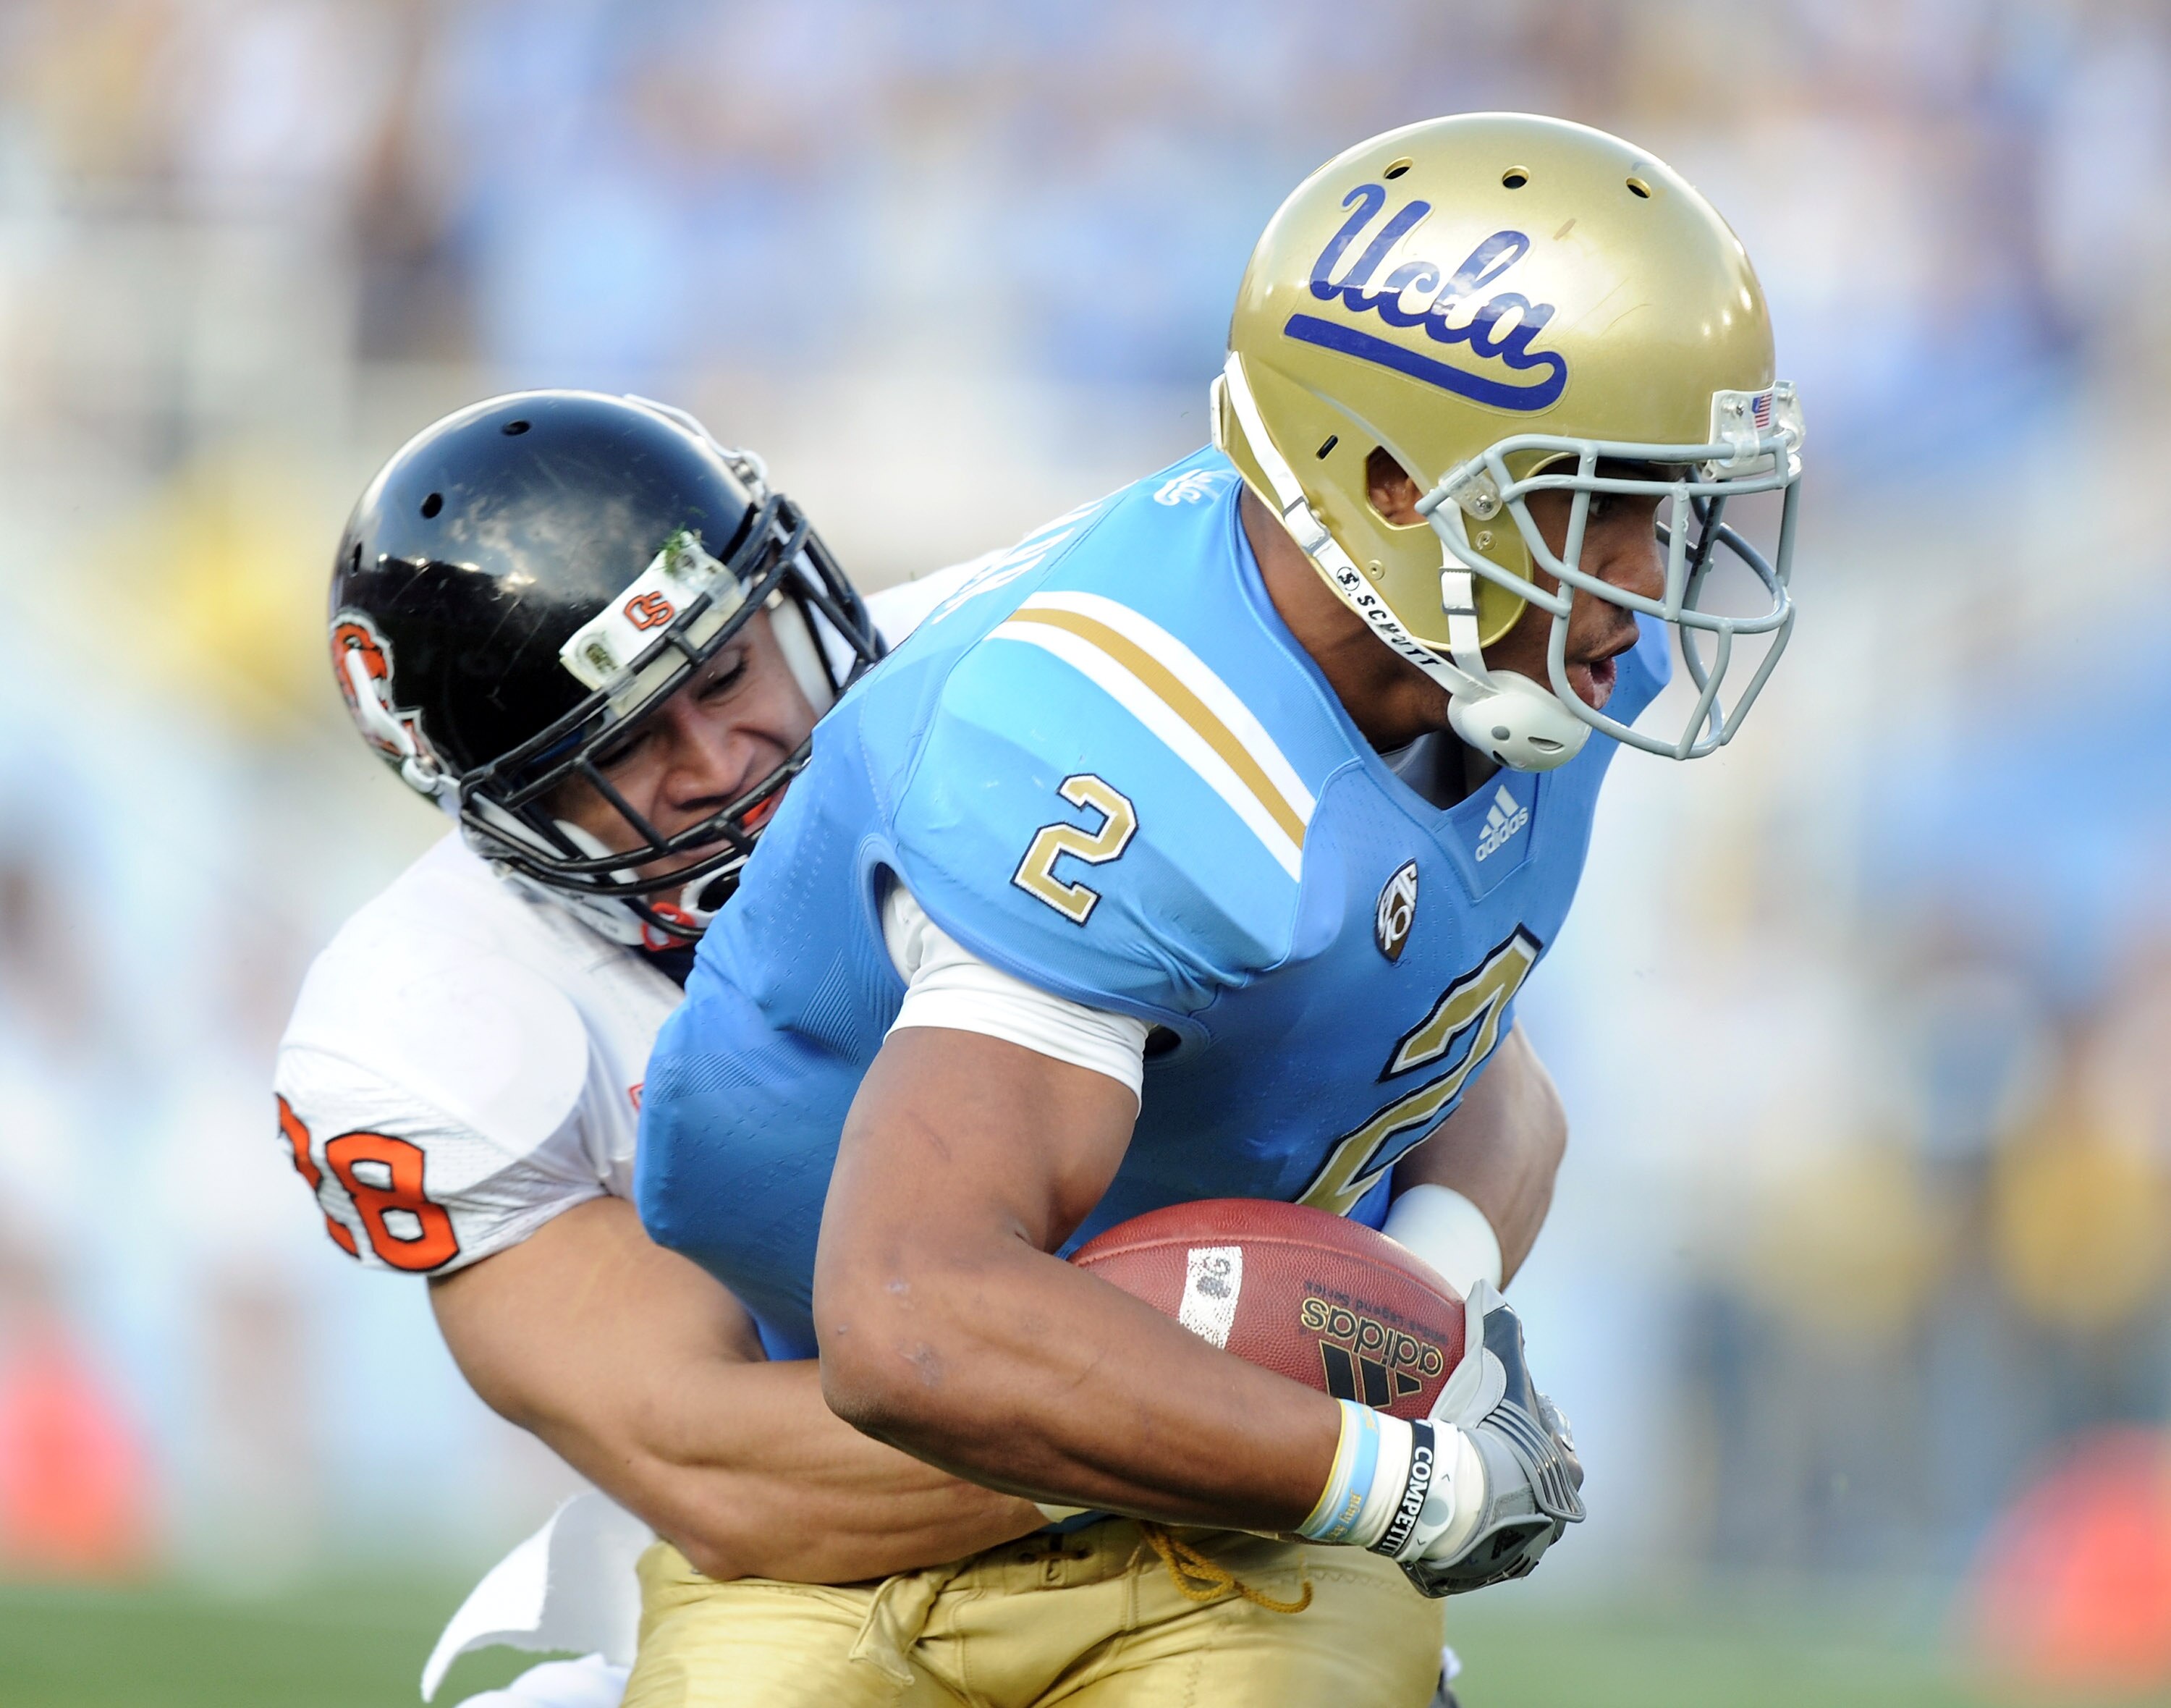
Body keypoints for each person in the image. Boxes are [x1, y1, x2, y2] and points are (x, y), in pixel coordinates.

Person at [633, 112, 1804, 1707]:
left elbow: (1477, 1062)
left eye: (1666, 504)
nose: (1643, 578)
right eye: (1599, 501)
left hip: (1224, 1500)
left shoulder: (1506, 669)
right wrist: (1408, 1482)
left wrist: (1433, 1301)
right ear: (1397, 483)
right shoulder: (1132, 749)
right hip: (863, 1492)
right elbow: (917, 1317)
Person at [273, 392, 1046, 1701]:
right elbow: (726, 1468)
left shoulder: (1043, 669)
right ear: (504, 814)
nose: (724, 755)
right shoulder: (430, 1023)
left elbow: (1458, 1048)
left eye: (728, 669)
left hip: (1239, 1535)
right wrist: (1237, 1415)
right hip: (804, 1592)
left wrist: (1426, 1275)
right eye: (624, 742)